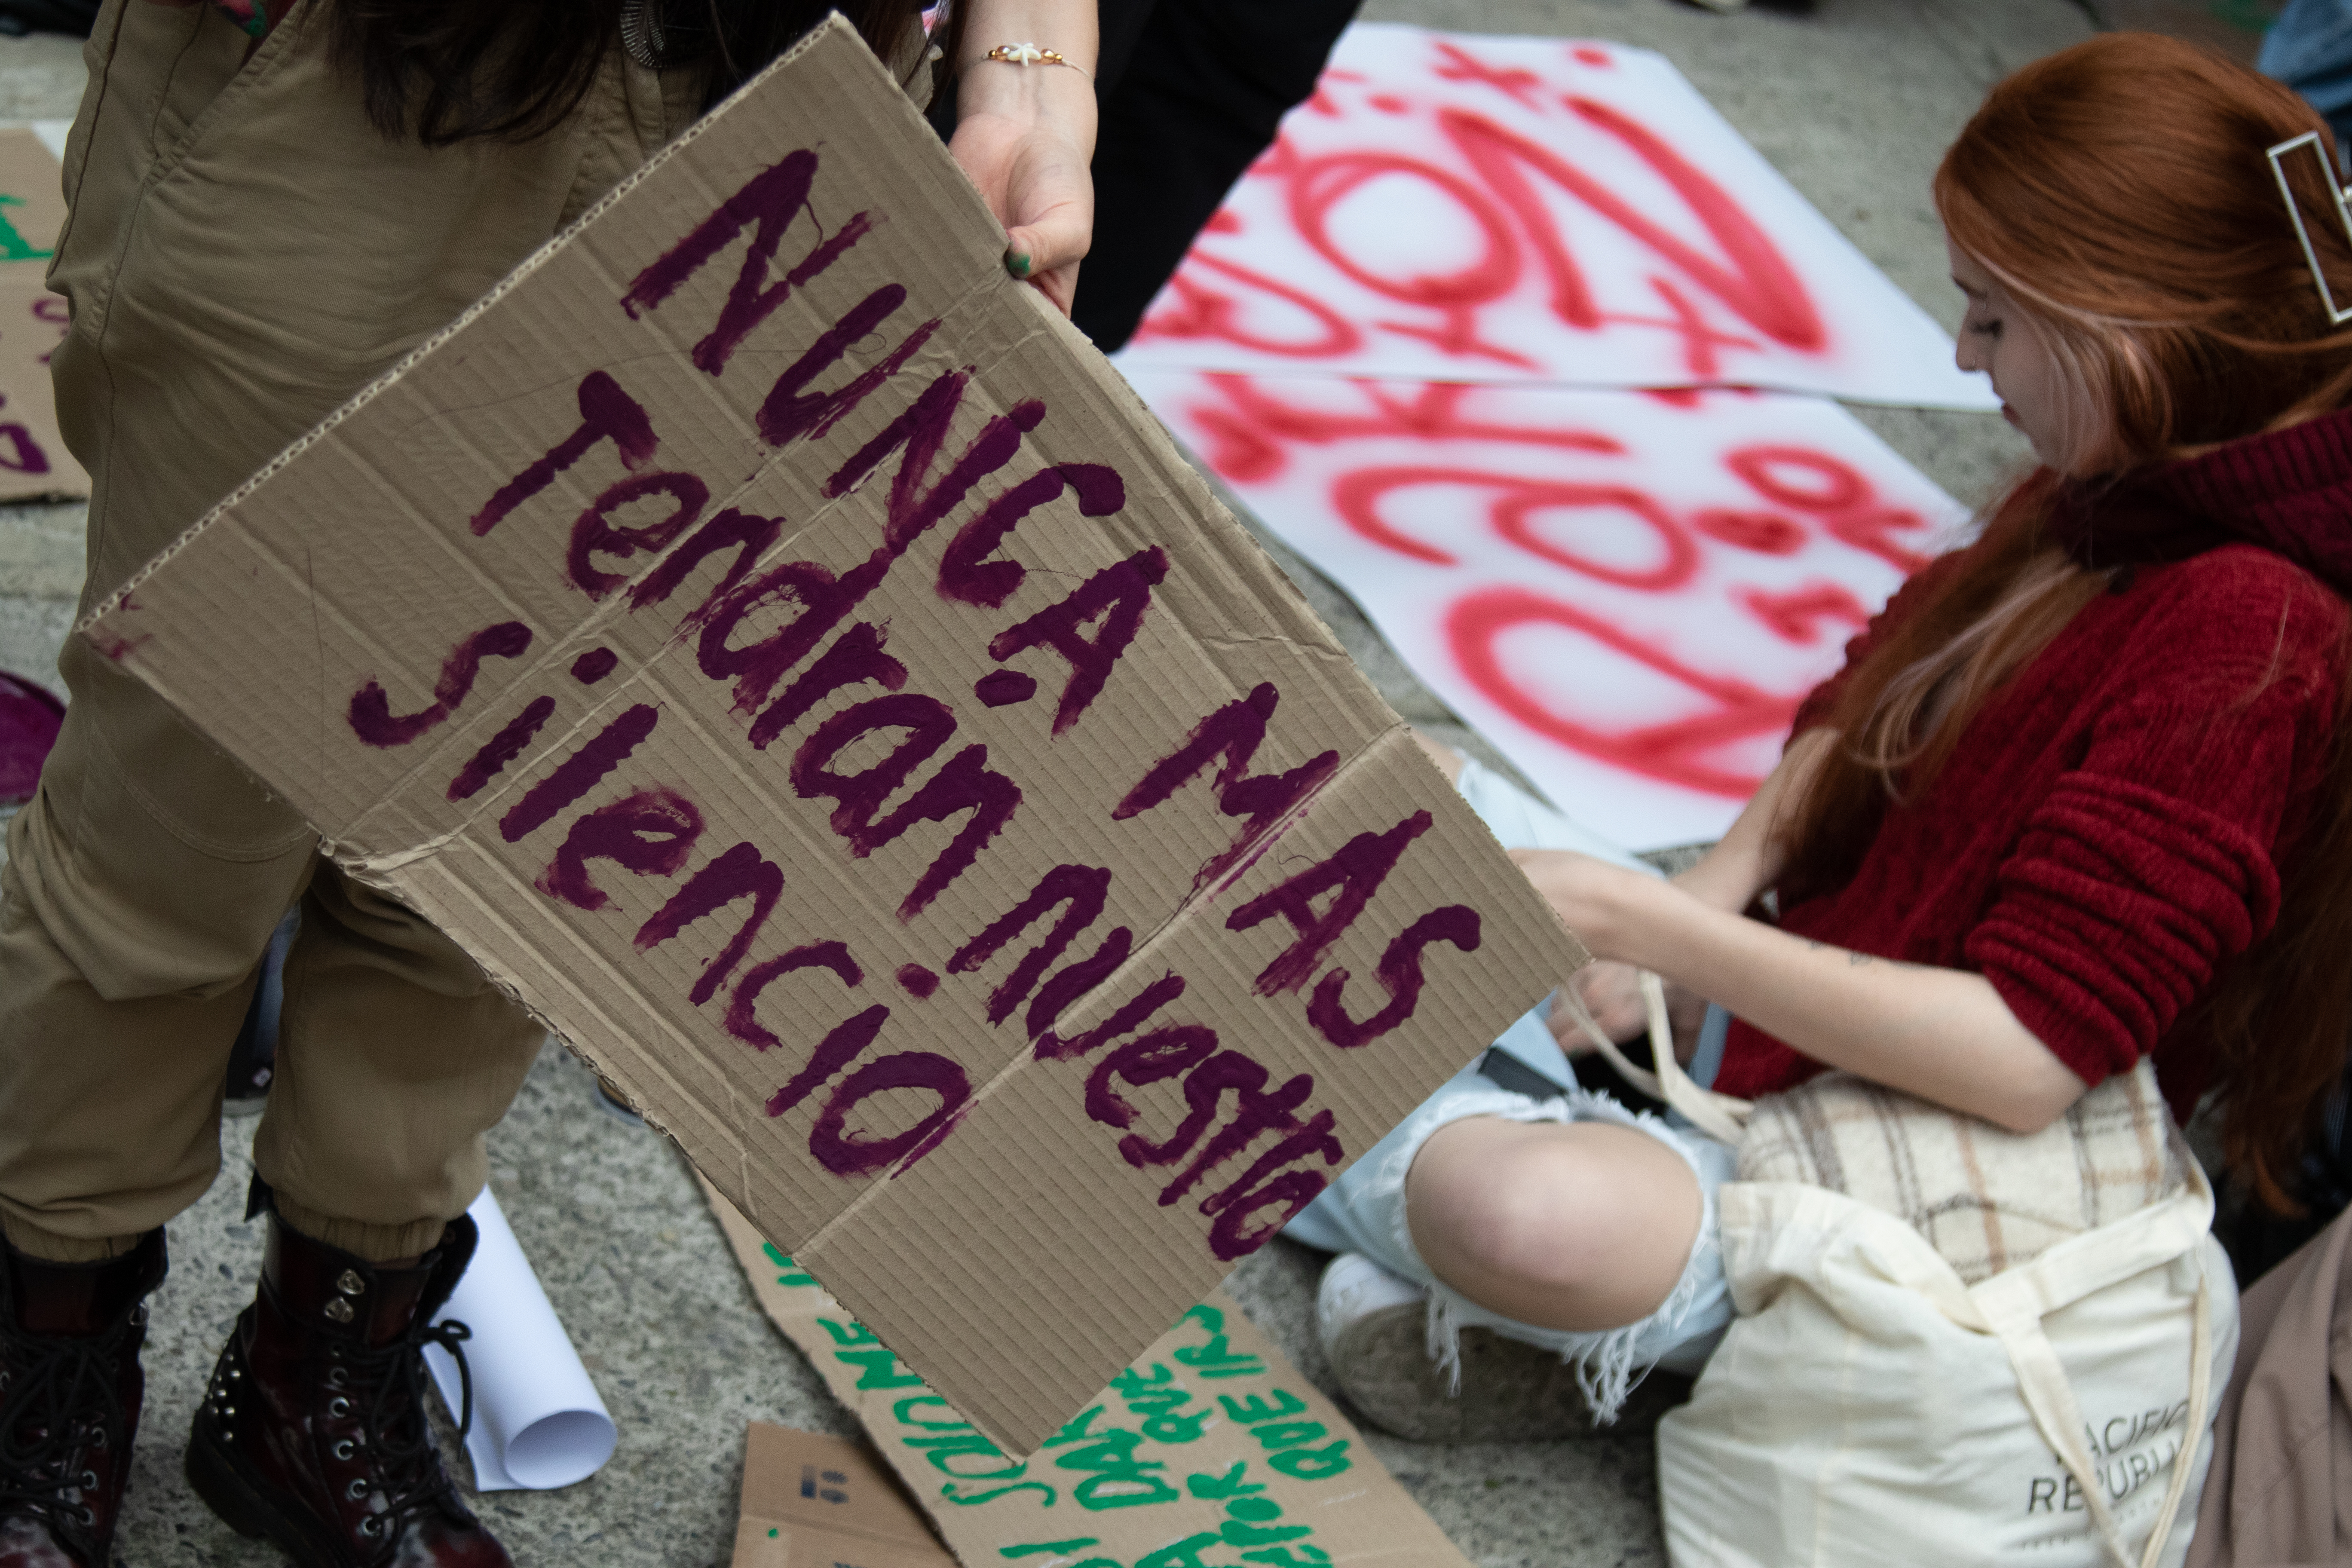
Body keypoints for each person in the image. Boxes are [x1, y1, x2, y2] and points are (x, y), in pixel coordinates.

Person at [0, 0, 1096, 1563]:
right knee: (175, 829)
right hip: (361, 84)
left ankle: (317, 1388)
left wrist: (1034, 75)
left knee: (522, 844)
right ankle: (45, 1363)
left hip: (773, 92)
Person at [1299, 30, 2352, 1443]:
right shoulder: (2136, 466)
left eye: (1994, 317)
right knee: (1372, 792)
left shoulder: (2257, 634)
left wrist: (1653, 929)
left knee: (1520, 1212)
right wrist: (1706, 893)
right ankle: (1498, 1276)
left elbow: (2026, 1055)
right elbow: (1868, 707)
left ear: (2130, 340)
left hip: (1926, 1179)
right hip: (1800, 1012)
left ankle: (1442, 1219)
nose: (1961, 354)